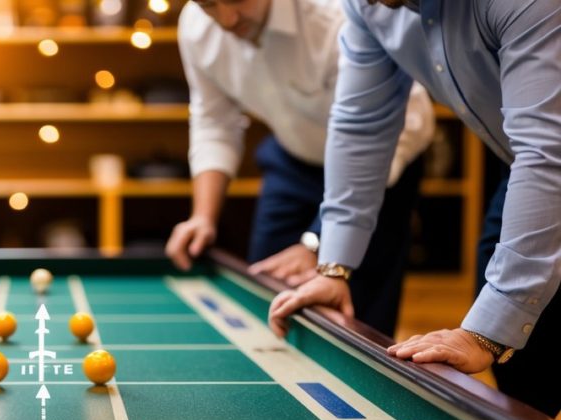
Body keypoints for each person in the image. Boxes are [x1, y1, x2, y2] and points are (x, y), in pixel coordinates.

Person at [267, 0, 561, 418]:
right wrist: (333, 267)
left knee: (506, 319)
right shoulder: (366, 5)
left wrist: (483, 334)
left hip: (544, 155)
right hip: (521, 158)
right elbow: (361, 126)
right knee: (522, 339)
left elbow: (546, 155)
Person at [166, 0, 434, 336]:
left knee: (358, 316)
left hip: (382, 161)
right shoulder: (194, 26)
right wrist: (202, 216)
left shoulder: (334, 18)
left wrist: (318, 244)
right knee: (264, 292)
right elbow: (213, 121)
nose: (227, 19)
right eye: (209, 5)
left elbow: (378, 138)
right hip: (292, 160)